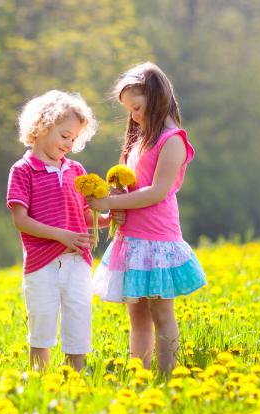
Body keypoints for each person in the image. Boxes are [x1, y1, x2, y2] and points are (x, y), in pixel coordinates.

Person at [87, 63, 206, 374]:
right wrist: (108, 208)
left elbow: (156, 192)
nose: (134, 116)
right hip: (131, 238)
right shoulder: (140, 140)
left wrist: (110, 201)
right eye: (129, 111)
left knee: (161, 311)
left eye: (137, 107)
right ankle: (139, 374)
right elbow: (131, 187)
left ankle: (167, 376)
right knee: (136, 314)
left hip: (157, 238)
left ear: (156, 97)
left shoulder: (173, 140)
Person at [6, 90, 125, 371]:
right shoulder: (23, 170)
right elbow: (21, 220)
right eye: (64, 136)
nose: (69, 144)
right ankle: (40, 376)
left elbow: (83, 215)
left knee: (78, 316)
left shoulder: (75, 170)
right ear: (42, 126)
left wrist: (107, 219)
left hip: (77, 261)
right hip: (41, 263)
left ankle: (76, 374)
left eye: (74, 139)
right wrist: (61, 236)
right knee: (42, 318)